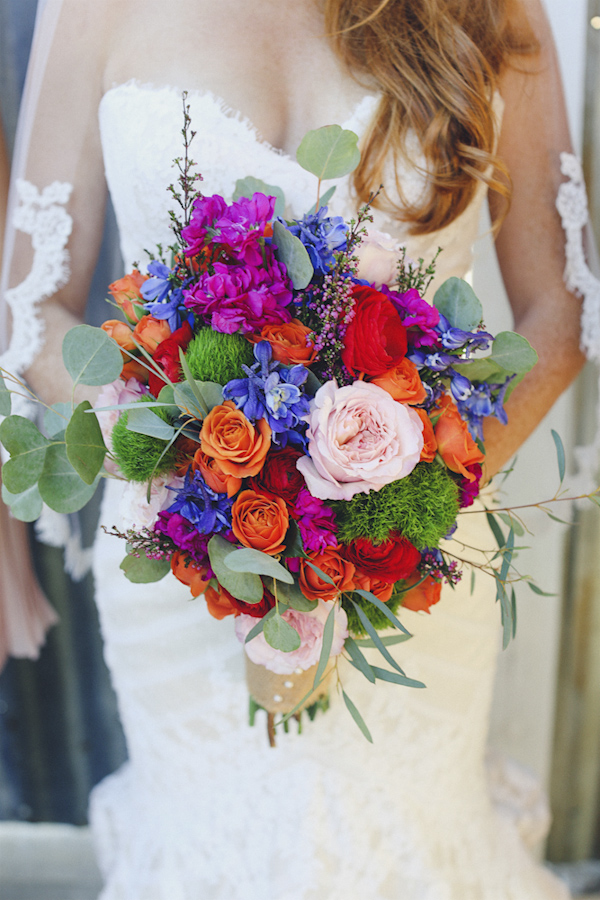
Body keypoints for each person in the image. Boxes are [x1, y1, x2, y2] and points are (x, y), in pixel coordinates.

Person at [0, 0, 589, 896]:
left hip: (412, 554)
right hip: (181, 553)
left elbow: (562, 311)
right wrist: (178, 454)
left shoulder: (490, 9)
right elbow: (28, 305)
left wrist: (407, 493)